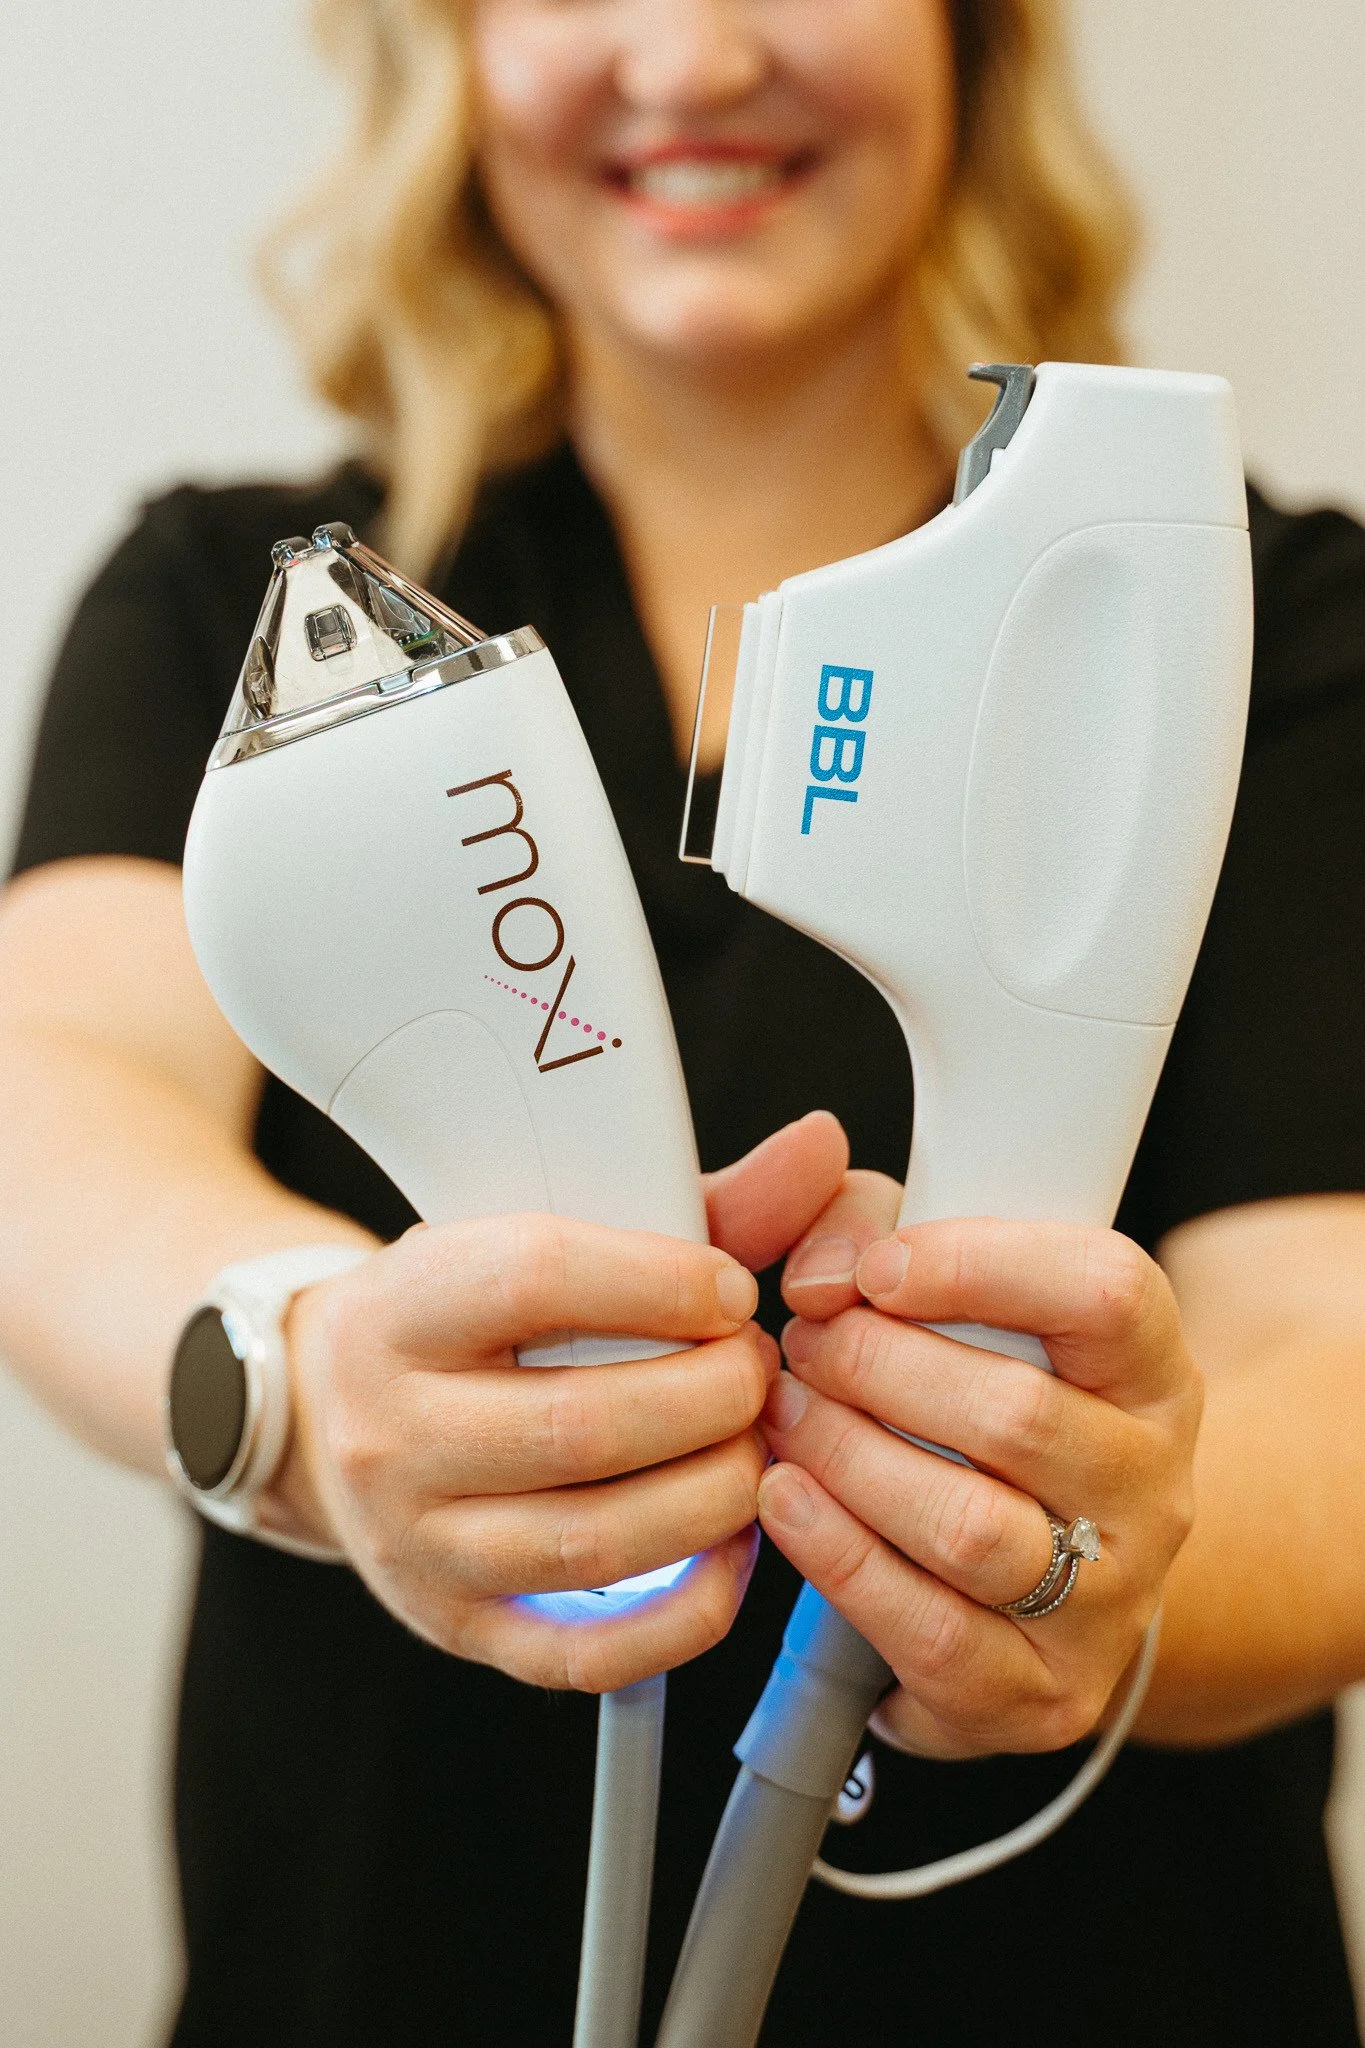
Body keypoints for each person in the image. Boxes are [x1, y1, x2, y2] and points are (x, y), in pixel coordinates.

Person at [2, 0, 1363, 2040]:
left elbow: (1331, 1351)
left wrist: (1098, 1551)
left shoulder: (1267, 638)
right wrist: (297, 1381)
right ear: (449, 51)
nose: (691, 54)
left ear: (971, 37)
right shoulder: (250, 612)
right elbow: (52, 1099)